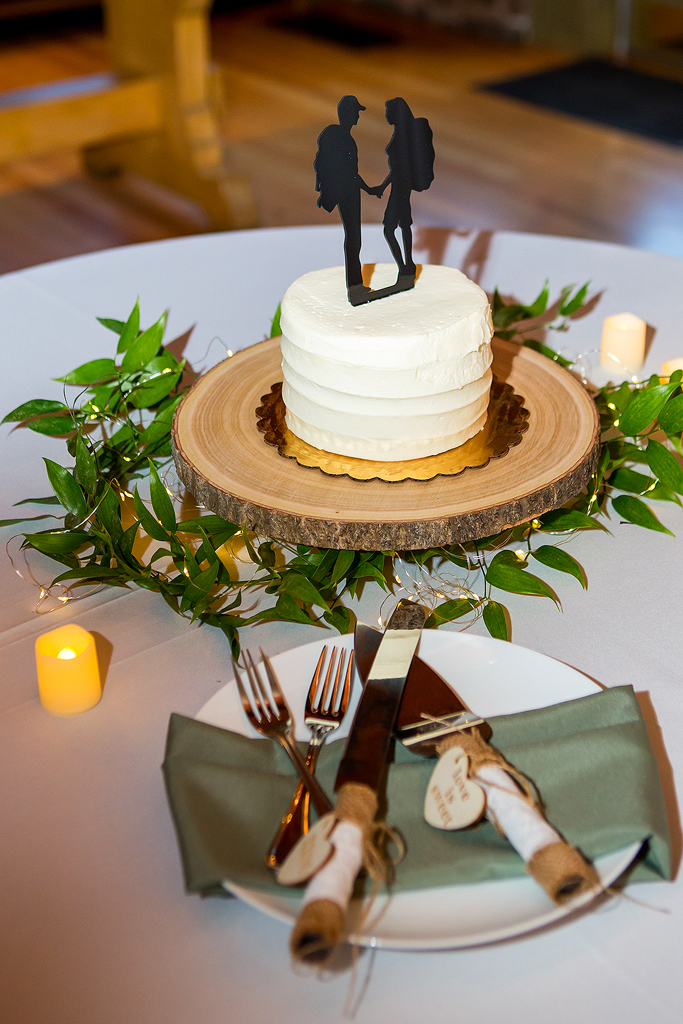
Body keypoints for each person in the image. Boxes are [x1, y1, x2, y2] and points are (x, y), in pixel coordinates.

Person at [314, 95, 382, 304]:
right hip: (347, 193)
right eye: (355, 112)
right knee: (353, 239)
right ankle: (355, 288)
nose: (357, 116)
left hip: (350, 191)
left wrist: (368, 189)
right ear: (347, 113)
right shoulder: (339, 136)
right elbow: (332, 166)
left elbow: (350, 172)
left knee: (354, 239)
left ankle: (356, 285)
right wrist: (327, 189)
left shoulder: (341, 136)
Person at [377, 98, 434, 288]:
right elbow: (396, 170)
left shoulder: (406, 134)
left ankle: (406, 266)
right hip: (399, 186)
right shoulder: (401, 133)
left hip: (401, 187)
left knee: (391, 228)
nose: (386, 115)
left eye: (388, 110)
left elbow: (400, 169)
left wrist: (387, 186)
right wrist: (382, 187)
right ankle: (406, 265)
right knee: (402, 226)